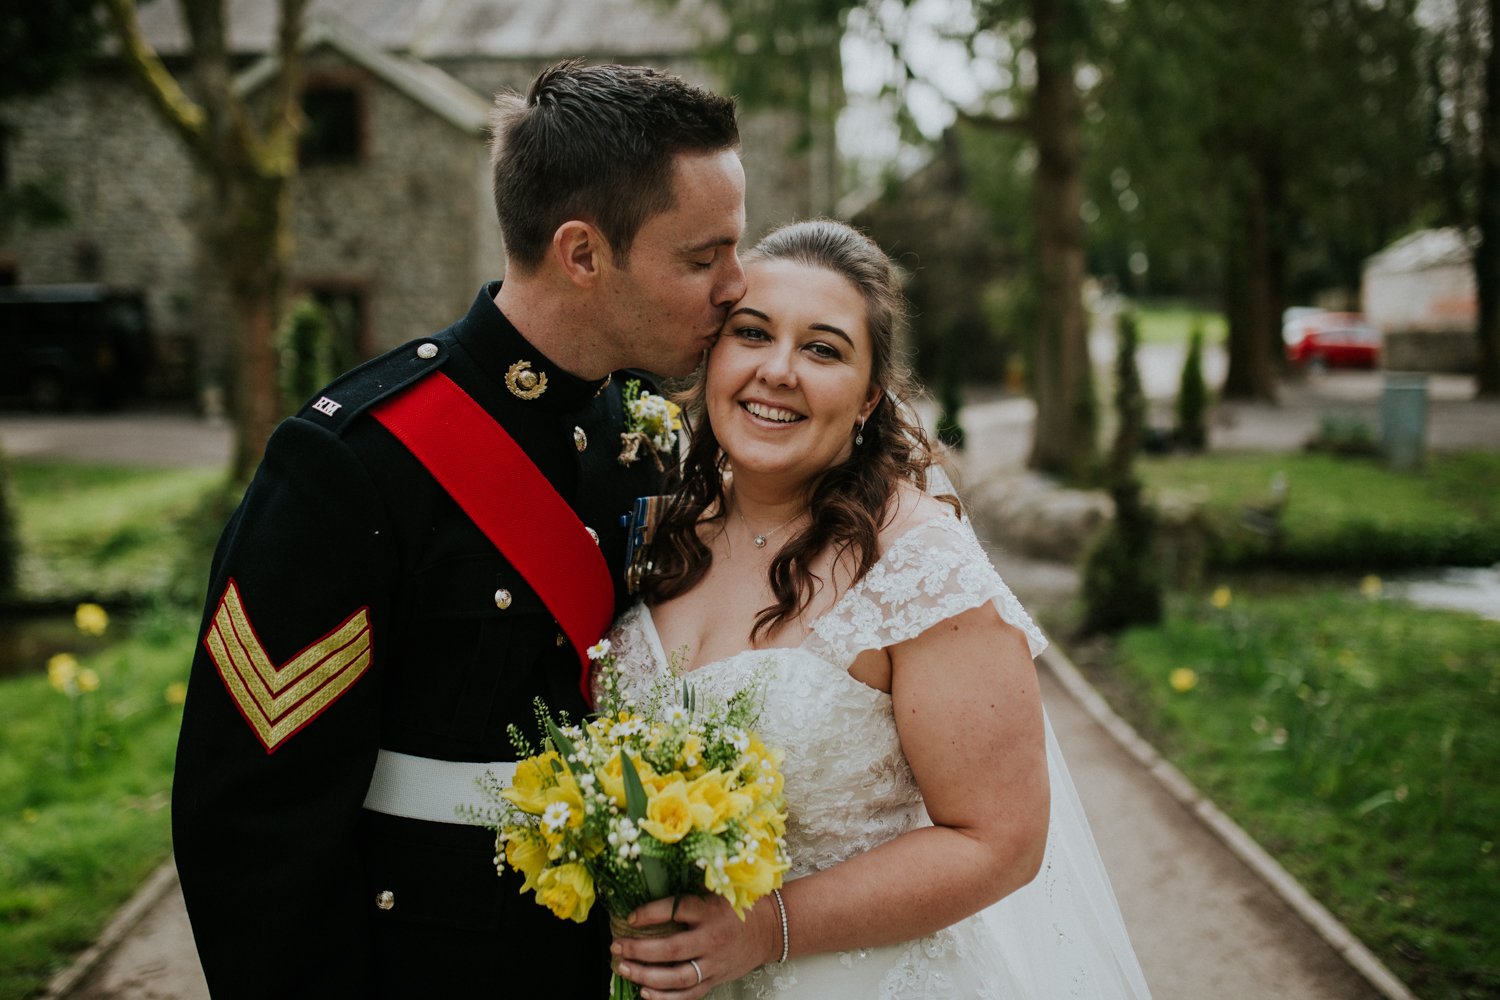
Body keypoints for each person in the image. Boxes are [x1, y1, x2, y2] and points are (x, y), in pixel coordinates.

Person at [171, 62, 746, 998]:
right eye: (702, 256)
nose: (737, 284)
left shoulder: (640, 434)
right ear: (583, 254)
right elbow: (250, 827)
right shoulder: (353, 465)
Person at [603, 220, 1153, 999]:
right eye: (751, 333)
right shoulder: (661, 536)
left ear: (868, 397)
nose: (778, 371)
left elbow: (1002, 841)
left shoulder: (919, 567)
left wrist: (768, 929)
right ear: (710, 356)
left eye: (823, 349)